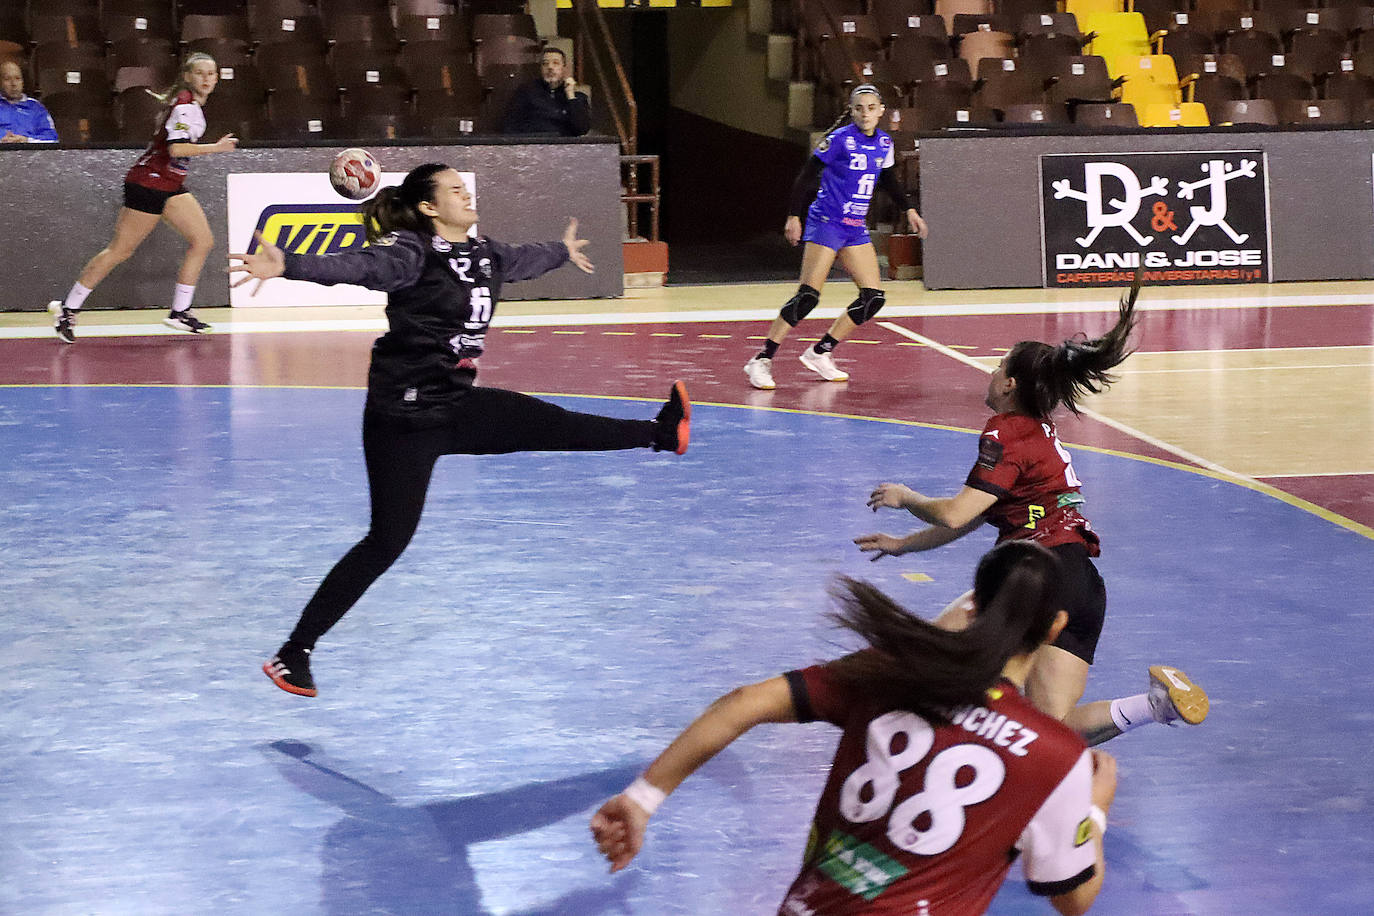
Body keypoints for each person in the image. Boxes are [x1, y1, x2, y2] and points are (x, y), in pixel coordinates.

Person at [229, 162, 692, 698]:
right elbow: (358, 268)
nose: (464, 193)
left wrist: (562, 251)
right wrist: (289, 263)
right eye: (452, 189)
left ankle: (661, 432)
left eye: (463, 186)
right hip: (402, 419)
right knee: (386, 540)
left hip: (455, 406)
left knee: (551, 423)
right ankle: (294, 654)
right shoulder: (410, 252)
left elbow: (522, 261)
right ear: (429, 207)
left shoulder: (485, 254)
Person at [592, 541, 1117, 916]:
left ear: (972, 603)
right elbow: (1073, 897)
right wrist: (1092, 810)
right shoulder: (1054, 753)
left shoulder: (886, 673)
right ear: (1054, 629)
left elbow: (744, 702)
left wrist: (641, 799)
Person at [854, 272, 1209, 747]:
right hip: (1083, 584)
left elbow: (957, 513)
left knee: (928, 657)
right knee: (1050, 729)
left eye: (999, 367)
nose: (992, 373)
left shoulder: (1006, 433)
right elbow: (979, 515)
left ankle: (896, 760)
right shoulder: (1040, 436)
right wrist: (904, 545)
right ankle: (1155, 705)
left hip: (1036, 577)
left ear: (1010, 385)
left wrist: (906, 496)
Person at [744, 84, 929, 391]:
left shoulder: (884, 142)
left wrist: (909, 209)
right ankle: (761, 360)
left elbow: (888, 179)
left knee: (873, 298)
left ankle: (821, 352)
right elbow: (806, 175)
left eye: (871, 108)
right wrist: (794, 215)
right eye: (859, 108)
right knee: (808, 297)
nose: (865, 114)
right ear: (851, 110)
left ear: (881, 110)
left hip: (854, 226)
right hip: (827, 221)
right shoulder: (840, 140)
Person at [47, 52, 236, 343]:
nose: (207, 79)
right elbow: (177, 150)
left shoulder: (192, 105)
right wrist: (217, 148)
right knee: (120, 250)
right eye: (200, 73)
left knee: (202, 241)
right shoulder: (185, 106)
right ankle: (68, 309)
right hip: (149, 183)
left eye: (211, 74)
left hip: (169, 183)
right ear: (187, 76)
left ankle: (180, 312)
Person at [501, 47, 590, 137]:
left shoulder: (577, 98)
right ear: (540, 68)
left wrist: (571, 96)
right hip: (533, 145)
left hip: (565, 147)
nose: (550, 67)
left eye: (555, 63)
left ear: (564, 68)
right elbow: (510, 126)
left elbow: (582, 129)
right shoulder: (526, 92)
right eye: (545, 63)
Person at [0, 59, 58, 143]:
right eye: (7, 79)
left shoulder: (36, 108)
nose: (14, 84)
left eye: (17, 78)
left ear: (23, 82)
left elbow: (53, 140)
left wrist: (27, 140)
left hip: (31, 154)